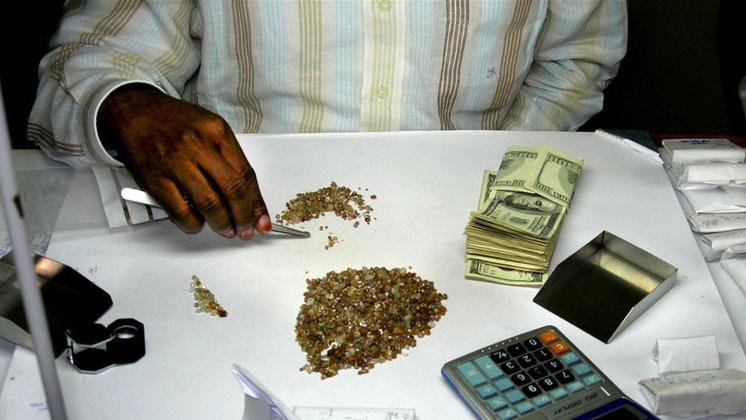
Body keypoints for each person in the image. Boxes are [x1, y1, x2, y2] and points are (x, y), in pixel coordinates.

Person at [28, 0, 627, 240]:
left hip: (464, 223)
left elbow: (576, 59)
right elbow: (91, 59)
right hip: (244, 219)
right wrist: (127, 104)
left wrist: (501, 168)